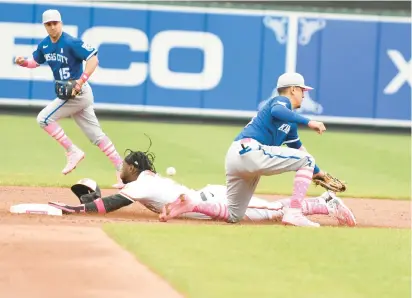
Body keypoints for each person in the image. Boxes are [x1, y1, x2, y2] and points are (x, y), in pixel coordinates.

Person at [160, 72, 331, 227]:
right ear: (293, 89)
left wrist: (318, 172)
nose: (304, 95)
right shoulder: (281, 102)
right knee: (307, 159)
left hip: (237, 156)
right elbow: (278, 111)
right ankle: (294, 213)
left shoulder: (290, 122)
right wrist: (309, 122)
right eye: (302, 90)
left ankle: (191, 205)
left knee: (234, 214)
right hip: (250, 150)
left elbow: (298, 149)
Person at [48, 149, 356, 227]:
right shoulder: (144, 181)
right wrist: (91, 194)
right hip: (207, 198)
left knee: (273, 210)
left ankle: (324, 203)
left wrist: (80, 208)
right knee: (271, 209)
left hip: (212, 200)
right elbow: (114, 193)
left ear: (136, 168)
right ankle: (322, 204)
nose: (121, 169)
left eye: (124, 165)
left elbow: (114, 202)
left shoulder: (141, 183)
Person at [14, 9, 124, 188]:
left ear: (61, 23)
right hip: (71, 93)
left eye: (55, 23)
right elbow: (35, 62)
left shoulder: (71, 42)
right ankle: (122, 171)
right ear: (45, 26)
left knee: (44, 118)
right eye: (48, 24)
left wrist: (81, 81)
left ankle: (73, 151)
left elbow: (93, 59)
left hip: (77, 92)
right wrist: (23, 62)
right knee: (96, 136)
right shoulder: (44, 45)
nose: (52, 27)